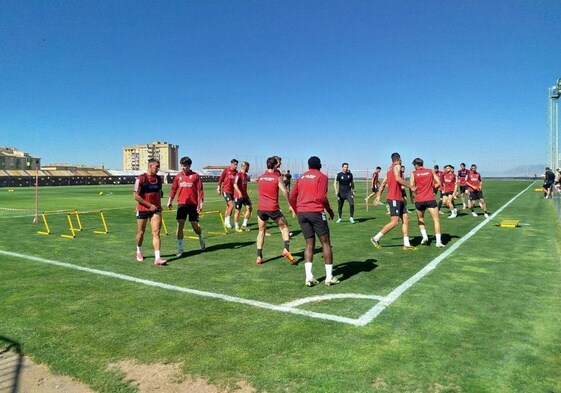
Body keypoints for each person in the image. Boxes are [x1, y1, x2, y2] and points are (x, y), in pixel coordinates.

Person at [289, 156, 338, 287]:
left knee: (309, 244)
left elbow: (292, 196)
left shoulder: (301, 177)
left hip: (302, 213)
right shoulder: (322, 177)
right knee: (325, 243)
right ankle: (329, 277)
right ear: (319, 165)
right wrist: (330, 210)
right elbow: (322, 197)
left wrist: (296, 209)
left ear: (308, 165)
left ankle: (309, 277)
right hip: (315, 212)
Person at [255, 156, 296, 265]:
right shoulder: (276, 177)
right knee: (285, 227)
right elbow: (284, 191)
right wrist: (290, 205)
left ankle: (259, 256)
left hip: (261, 208)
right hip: (273, 208)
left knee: (261, 232)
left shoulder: (260, 177)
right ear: (274, 165)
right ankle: (286, 250)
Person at [371, 152, 416, 250]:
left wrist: (378, 196)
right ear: (399, 159)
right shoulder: (397, 166)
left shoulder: (389, 170)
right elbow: (398, 178)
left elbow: (382, 184)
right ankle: (375, 238)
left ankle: (406, 244)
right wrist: (410, 186)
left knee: (406, 219)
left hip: (399, 198)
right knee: (395, 222)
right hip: (394, 198)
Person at [167, 156, 206, 257]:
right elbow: (173, 189)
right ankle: (180, 248)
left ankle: (201, 237)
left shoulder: (196, 176)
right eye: (182, 165)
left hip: (193, 205)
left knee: (195, 226)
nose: (183, 167)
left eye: (185, 165)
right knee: (180, 225)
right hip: (182, 204)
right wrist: (170, 200)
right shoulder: (178, 177)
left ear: (189, 165)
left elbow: (200, 190)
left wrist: (200, 203)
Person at [133, 158, 166, 265]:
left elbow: (159, 193)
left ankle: (157, 258)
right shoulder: (141, 179)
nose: (158, 169)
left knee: (156, 232)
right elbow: (135, 196)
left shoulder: (158, 179)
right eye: (156, 166)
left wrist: (158, 206)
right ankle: (138, 250)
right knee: (141, 233)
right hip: (143, 209)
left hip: (155, 209)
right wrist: (149, 205)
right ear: (150, 166)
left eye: (159, 167)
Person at [410, 158, 444, 247]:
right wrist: (432, 188)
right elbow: (439, 182)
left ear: (416, 165)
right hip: (430, 199)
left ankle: (425, 237)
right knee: (436, 220)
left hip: (419, 199)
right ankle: (438, 242)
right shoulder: (430, 171)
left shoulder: (414, 173)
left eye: (414, 165)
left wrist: (413, 196)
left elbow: (411, 186)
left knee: (420, 219)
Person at [217, 159, 238, 229]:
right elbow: (220, 179)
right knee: (231, 205)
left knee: (228, 207)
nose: (236, 166)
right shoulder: (226, 170)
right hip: (226, 191)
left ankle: (225, 222)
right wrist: (218, 188)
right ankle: (228, 222)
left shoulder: (236, 172)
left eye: (236, 164)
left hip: (233, 192)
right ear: (231, 164)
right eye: (235, 164)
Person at [233, 161, 253, 231]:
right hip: (238, 196)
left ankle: (244, 225)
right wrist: (239, 192)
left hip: (245, 196)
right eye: (248, 167)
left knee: (250, 208)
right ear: (244, 167)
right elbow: (235, 184)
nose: (248, 169)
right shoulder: (238, 174)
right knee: (237, 211)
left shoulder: (246, 175)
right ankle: (236, 226)